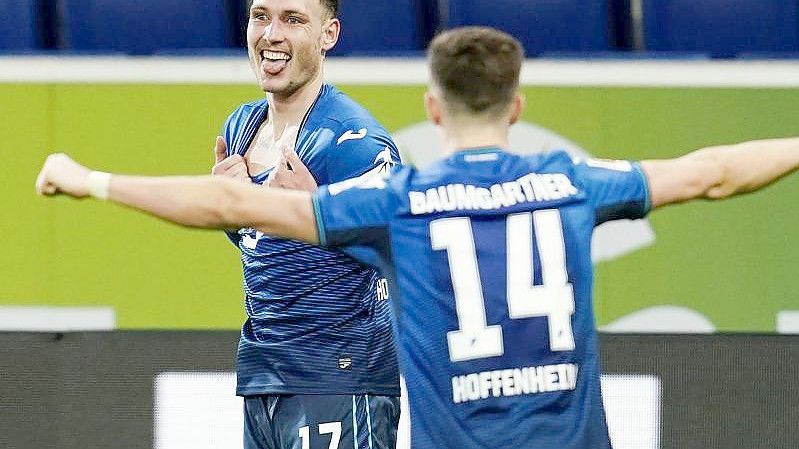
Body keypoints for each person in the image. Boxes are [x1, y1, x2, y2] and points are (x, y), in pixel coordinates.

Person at [36, 27, 799, 449]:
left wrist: (92, 179)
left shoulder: (399, 204)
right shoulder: (572, 183)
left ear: (433, 109)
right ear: (516, 102)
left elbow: (226, 201)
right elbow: (713, 172)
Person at [192, 0, 400, 448]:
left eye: (293, 19)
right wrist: (235, 213)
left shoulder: (355, 143)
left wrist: (319, 213)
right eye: (261, 16)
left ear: (329, 35)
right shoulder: (241, 125)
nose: (270, 35)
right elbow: (265, 247)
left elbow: (403, 250)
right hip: (263, 374)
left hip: (339, 376)